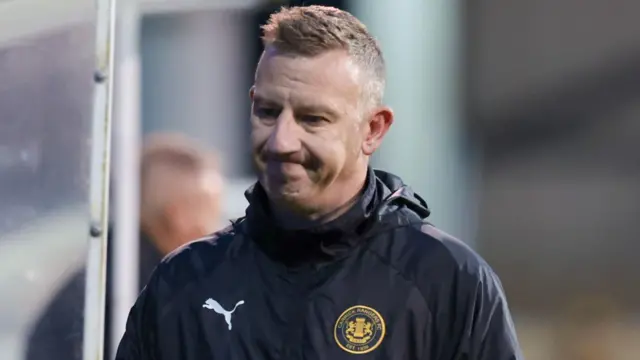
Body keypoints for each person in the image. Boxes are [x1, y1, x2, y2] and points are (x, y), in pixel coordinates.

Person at [116, 6, 523, 360]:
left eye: (313, 119)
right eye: (269, 112)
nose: (282, 141)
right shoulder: (183, 284)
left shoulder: (447, 282)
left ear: (373, 130)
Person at [25, 133, 223, 360]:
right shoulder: (147, 291)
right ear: (178, 215)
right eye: (211, 210)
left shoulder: (109, 277)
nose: (218, 226)